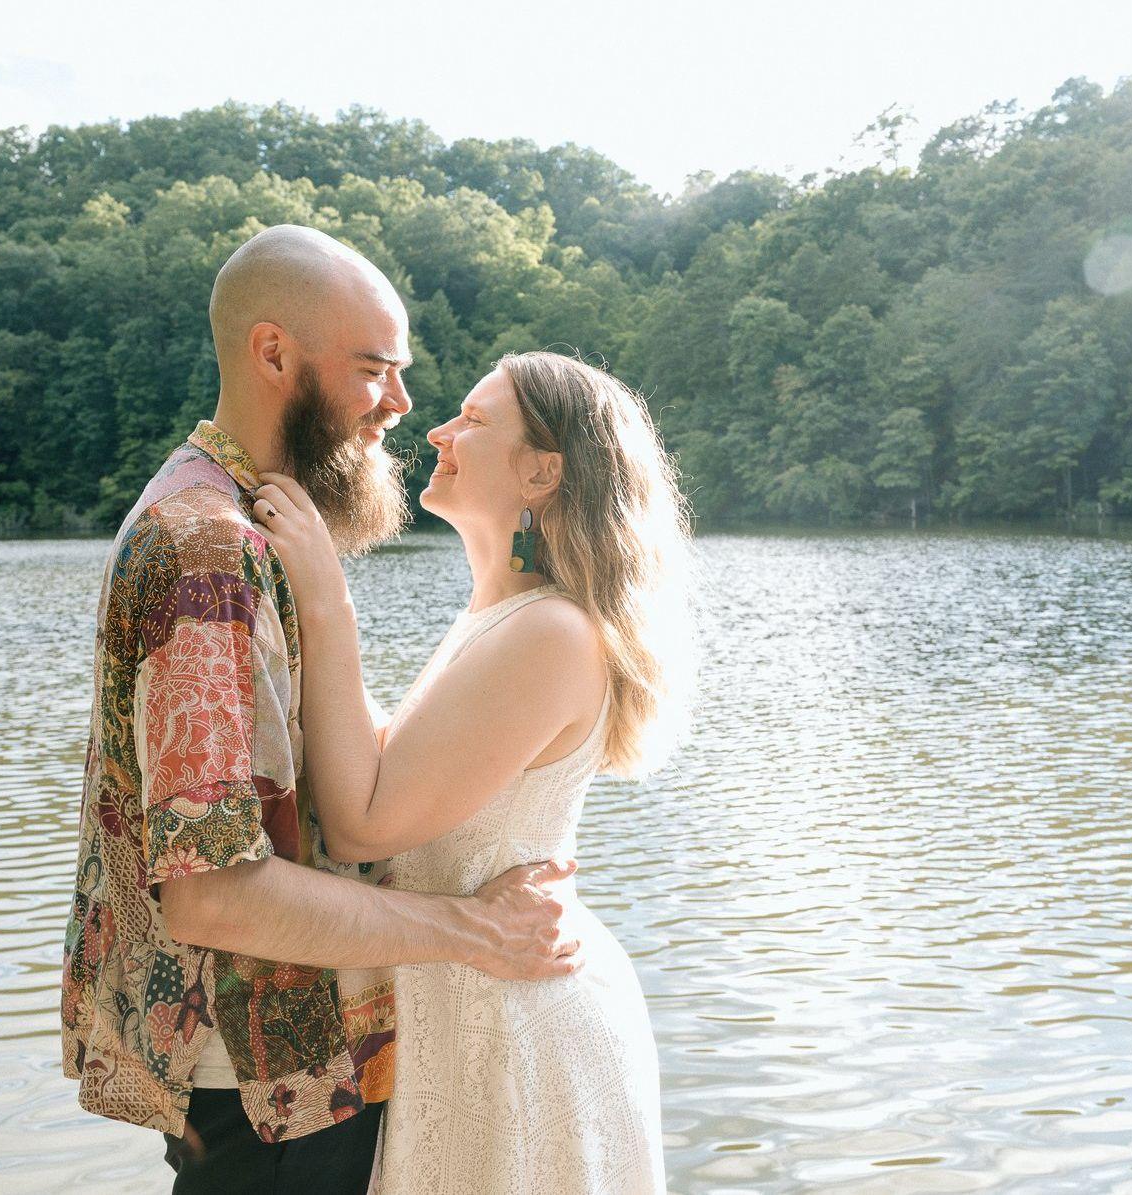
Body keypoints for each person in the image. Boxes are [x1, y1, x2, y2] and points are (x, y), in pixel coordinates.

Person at [60, 225, 582, 1193]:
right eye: (375, 369)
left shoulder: (245, 519)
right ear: (274, 354)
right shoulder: (209, 550)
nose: (403, 403)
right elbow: (214, 891)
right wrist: (478, 930)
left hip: (292, 1072)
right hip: (268, 1088)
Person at [249, 349, 694, 1193]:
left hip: (519, 1024)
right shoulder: (503, 617)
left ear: (542, 471)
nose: (439, 432)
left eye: (475, 419)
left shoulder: (549, 632)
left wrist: (327, 598)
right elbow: (388, 763)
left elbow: (363, 822)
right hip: (475, 1006)